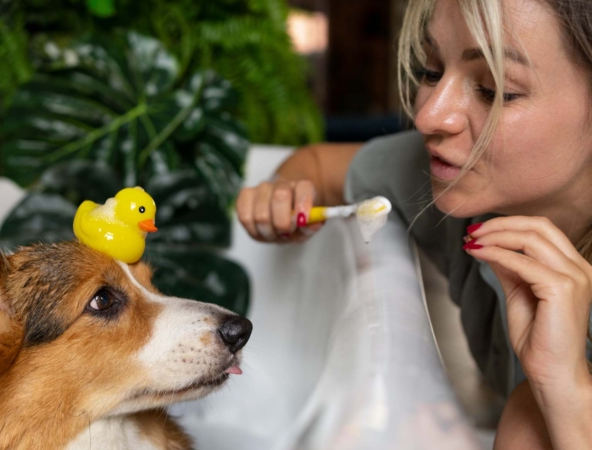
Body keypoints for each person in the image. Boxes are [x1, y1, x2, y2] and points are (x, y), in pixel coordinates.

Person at [236, 0, 592, 448]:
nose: (428, 117)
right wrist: (284, 195)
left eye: (493, 89)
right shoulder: (457, 182)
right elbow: (317, 166)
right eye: (431, 70)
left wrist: (566, 392)